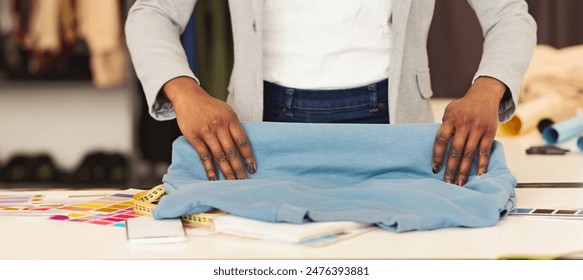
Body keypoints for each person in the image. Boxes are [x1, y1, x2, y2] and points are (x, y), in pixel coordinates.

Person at [125, 0, 536, 186]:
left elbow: (510, 16)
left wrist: (488, 86)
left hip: (394, 130)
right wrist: (183, 89)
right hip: (260, 131)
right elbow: (152, 13)